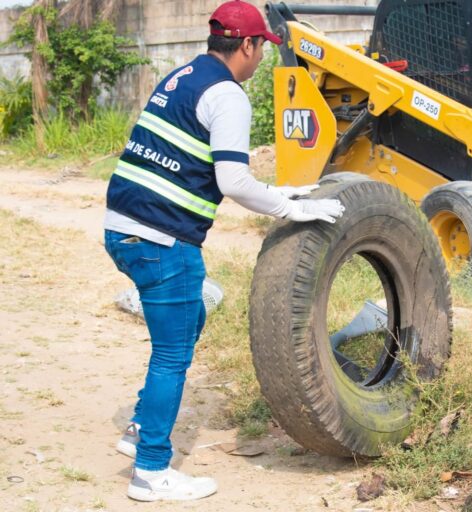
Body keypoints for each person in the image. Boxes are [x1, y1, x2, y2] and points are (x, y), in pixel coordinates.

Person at [103, 0, 344, 502]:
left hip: (123, 229)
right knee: (171, 354)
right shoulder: (229, 96)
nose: (260, 63)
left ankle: (139, 428)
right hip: (161, 239)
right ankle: (151, 470)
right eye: (261, 50)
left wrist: (284, 193)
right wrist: (291, 211)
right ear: (250, 45)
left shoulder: (184, 76)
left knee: (189, 321)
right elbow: (231, 180)